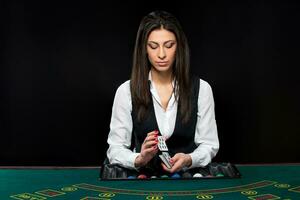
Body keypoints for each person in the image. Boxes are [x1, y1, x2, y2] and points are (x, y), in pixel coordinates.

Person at [106, 10, 219, 174]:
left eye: (169, 45)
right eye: (153, 46)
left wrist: (189, 159)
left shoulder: (202, 89)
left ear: (178, 47)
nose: (161, 54)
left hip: (188, 181)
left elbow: (209, 145)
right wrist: (139, 158)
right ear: (144, 49)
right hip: (143, 182)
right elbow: (115, 149)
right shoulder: (125, 91)